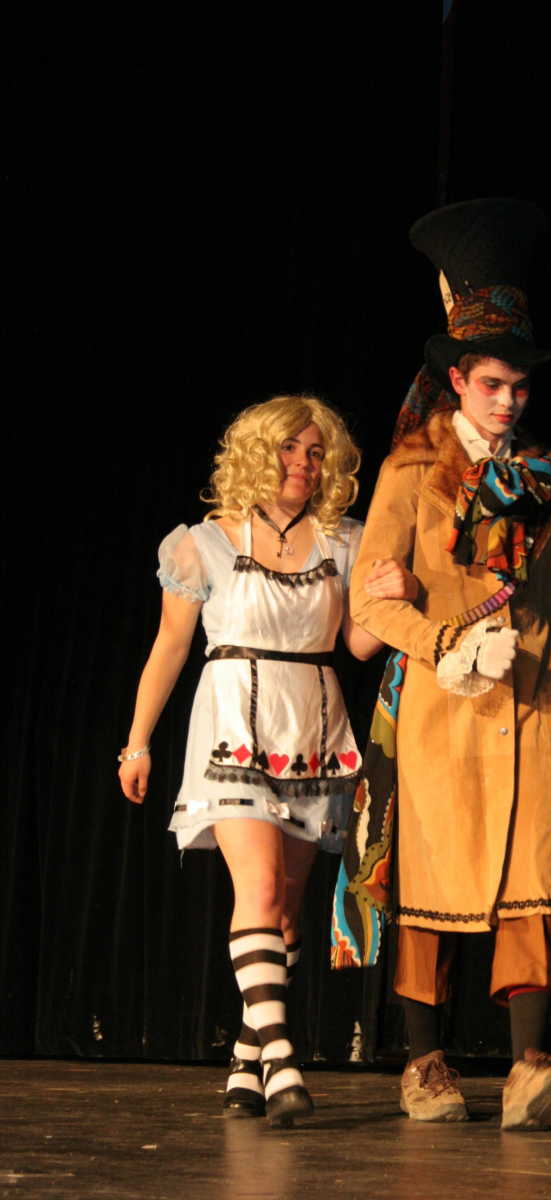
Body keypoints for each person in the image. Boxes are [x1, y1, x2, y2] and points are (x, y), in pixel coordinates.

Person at [339, 198, 551, 1130]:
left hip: (527, 706)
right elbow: (371, 603)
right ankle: (425, 1063)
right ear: (458, 381)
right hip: (442, 706)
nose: (509, 401)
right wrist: (447, 642)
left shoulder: (546, 481)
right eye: (492, 384)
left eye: (519, 385)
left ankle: (530, 1065)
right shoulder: (411, 473)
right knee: (433, 880)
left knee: (531, 871)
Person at [119, 394, 415, 1125]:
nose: (303, 464)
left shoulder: (344, 542)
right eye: (290, 448)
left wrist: (398, 596)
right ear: (258, 452)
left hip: (313, 724)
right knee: (254, 886)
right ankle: (282, 1060)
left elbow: (357, 645)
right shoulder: (204, 543)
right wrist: (138, 741)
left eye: (315, 453)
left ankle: (245, 1062)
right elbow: (170, 646)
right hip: (231, 723)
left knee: (284, 908)